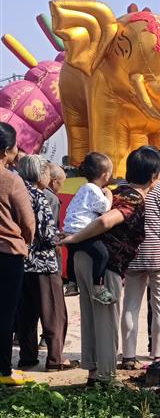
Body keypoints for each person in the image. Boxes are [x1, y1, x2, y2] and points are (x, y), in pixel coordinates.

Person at [58, 147, 156, 383]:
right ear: (153, 177)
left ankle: (93, 372)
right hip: (104, 263)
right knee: (106, 319)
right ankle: (106, 378)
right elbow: (105, 221)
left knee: (90, 316)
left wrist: (76, 240)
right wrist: (75, 238)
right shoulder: (133, 198)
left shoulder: (115, 190)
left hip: (83, 259)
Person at [120, 150, 160, 368]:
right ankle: (159, 356)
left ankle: (128, 356)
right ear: (153, 173)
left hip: (132, 255)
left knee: (130, 305)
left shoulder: (122, 191)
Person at [15, 156, 71, 372]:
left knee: (26, 314)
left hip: (19, 262)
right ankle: (56, 359)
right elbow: (47, 234)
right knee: (54, 313)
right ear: (40, 174)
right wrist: (64, 237)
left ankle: (27, 357)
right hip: (43, 263)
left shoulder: (15, 193)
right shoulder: (41, 197)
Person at [0, 123, 35, 386]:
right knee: (5, 312)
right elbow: (27, 222)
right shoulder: (11, 179)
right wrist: (26, 241)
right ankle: (3, 370)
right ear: (6, 151)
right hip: (7, 253)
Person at [63, 152, 114, 303]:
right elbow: (105, 208)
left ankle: (71, 284)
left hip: (70, 230)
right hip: (82, 232)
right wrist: (109, 194)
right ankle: (98, 287)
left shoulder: (82, 188)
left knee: (72, 254)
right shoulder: (94, 189)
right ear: (105, 175)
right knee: (102, 254)